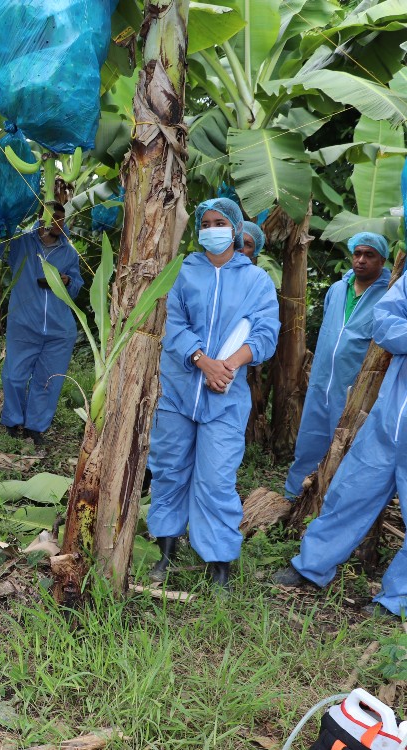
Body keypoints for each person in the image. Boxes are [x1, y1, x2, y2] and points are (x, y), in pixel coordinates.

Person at [147, 198, 280, 590]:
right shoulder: (184, 271)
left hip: (224, 395)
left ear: (236, 229)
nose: (211, 228)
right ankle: (167, 551)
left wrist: (229, 365)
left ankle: (218, 562)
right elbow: (172, 322)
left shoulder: (255, 280)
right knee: (169, 470)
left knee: (217, 478)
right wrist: (203, 361)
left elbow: (265, 332)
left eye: (220, 221)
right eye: (205, 222)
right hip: (177, 388)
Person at [272, 272, 407, 617]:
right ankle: (311, 567)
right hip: (389, 417)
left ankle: (396, 599)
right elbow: (384, 322)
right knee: (350, 491)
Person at [284, 232, 392, 498]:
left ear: (383, 260)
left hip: (355, 389)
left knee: (347, 448)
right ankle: (293, 498)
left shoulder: (389, 295)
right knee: (309, 441)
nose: (361, 260)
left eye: (369, 255)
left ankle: (334, 503)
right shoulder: (336, 290)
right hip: (322, 381)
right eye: (357, 254)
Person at [0, 201, 83, 445]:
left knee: (48, 380)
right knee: (14, 376)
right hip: (24, 325)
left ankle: (36, 428)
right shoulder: (21, 244)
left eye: (61, 218)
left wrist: (66, 281)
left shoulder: (68, 252)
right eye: (52, 217)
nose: (57, 222)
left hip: (59, 330)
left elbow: (77, 286)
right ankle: (13, 422)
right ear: (40, 217)